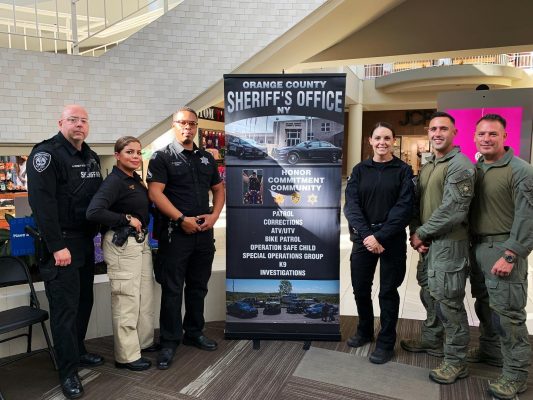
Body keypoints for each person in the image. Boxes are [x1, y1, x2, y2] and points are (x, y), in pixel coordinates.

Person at [27, 105, 104, 399]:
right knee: (65, 310)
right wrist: (57, 245)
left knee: (84, 302)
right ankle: (68, 372)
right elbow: (42, 204)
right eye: (73, 120)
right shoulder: (46, 155)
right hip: (61, 245)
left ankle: (78, 351)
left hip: (85, 242)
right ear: (61, 123)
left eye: (84, 120)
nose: (79, 124)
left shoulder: (91, 156)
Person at [147, 106, 225, 370]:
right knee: (172, 290)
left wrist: (214, 216)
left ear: (196, 127)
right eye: (182, 123)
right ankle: (169, 341)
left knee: (198, 286)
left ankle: (194, 332)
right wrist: (182, 219)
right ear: (174, 125)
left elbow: (218, 189)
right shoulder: (162, 157)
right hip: (175, 234)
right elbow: (155, 193)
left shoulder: (206, 158)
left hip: (204, 233)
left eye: (192, 123)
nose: (187, 128)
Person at [400, 112, 475, 384]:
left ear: (454, 132)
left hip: (449, 245)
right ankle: (432, 339)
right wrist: (416, 233)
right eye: (433, 129)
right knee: (429, 294)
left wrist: (422, 233)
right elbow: (418, 203)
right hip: (429, 244)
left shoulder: (460, 165)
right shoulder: (430, 163)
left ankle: (456, 361)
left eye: (443, 128)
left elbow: (453, 210)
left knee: (449, 304)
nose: (437, 133)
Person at [468, 114, 533, 400]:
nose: (486, 139)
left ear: (505, 137)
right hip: (478, 247)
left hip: (503, 249)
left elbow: (528, 216)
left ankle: (516, 375)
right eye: (481, 134)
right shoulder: (477, 168)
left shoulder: (521, 170)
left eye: (493, 134)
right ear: (474, 137)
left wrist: (511, 255)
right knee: (484, 305)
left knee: (508, 315)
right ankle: (490, 351)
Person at [344, 122, 414, 364]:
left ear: (393, 141)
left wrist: (380, 236)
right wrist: (368, 236)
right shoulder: (359, 170)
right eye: (377, 138)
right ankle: (364, 331)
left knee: (387, 292)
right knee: (360, 288)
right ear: (370, 141)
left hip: (391, 241)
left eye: (387, 138)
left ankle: (386, 342)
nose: (382, 142)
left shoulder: (403, 171)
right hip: (364, 239)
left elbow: (404, 208)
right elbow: (351, 206)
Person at [86, 136, 156, 372]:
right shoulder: (114, 181)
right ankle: (126, 356)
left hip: (140, 243)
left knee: (144, 296)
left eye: (138, 152)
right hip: (122, 245)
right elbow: (93, 211)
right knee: (126, 299)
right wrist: (125, 218)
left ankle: (142, 343)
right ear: (117, 155)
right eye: (129, 152)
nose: (135, 156)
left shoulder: (134, 179)